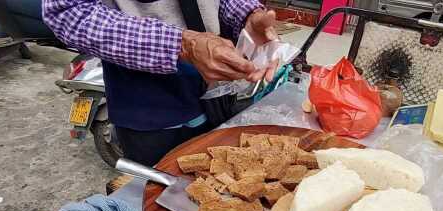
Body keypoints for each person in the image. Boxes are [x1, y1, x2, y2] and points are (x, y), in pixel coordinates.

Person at [42, 0, 278, 165]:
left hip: (217, 87)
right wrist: (182, 44)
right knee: (163, 207)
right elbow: (67, 13)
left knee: (224, 179)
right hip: (148, 104)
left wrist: (246, 14)